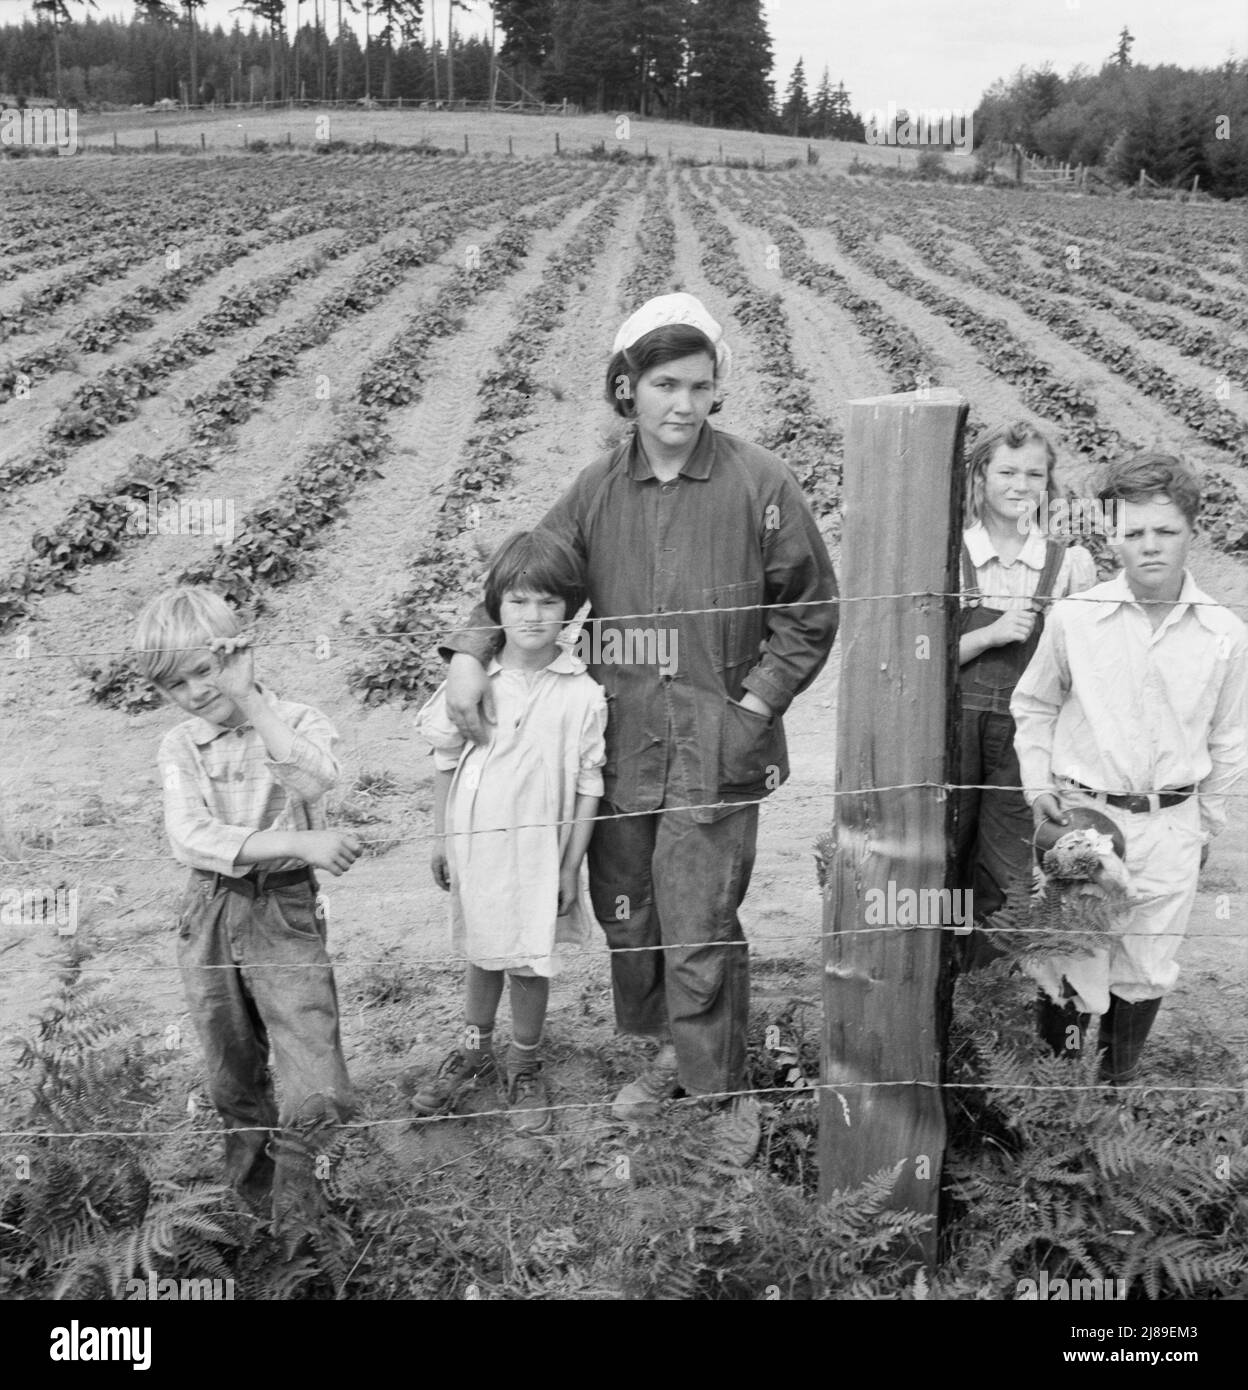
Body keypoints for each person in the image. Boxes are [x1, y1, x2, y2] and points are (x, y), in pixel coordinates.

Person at [440, 293, 838, 1166]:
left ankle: (712, 1091)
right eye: (664, 384)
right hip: (621, 748)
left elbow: (810, 609)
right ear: (627, 387)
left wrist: (757, 704)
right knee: (634, 917)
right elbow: (529, 576)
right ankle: (670, 1051)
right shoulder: (597, 488)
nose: (683, 406)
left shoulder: (759, 484)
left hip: (717, 743)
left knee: (700, 922)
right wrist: (472, 651)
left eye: (699, 385)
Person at [133, 586, 361, 1244]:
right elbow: (190, 837)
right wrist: (300, 841)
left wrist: (254, 700)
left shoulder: (292, 720)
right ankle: (254, 1211)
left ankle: (306, 1216)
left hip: (283, 908)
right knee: (232, 1070)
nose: (198, 691)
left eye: (206, 670)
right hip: (208, 909)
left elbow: (315, 780)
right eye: (178, 683)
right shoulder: (180, 747)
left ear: (236, 653)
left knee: (314, 1077)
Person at [1013, 452, 1248, 1083]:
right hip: (1086, 823)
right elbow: (1033, 705)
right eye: (1134, 531)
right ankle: (1059, 1108)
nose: (1150, 547)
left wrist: (1205, 826)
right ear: (1112, 533)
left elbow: (1230, 739)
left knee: (1145, 967)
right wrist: (1039, 788)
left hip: (1172, 823)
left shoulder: (1224, 633)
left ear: (1192, 532)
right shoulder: (1076, 618)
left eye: (1166, 532)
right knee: (1071, 963)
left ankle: (1114, 1100)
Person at [409, 530, 607, 1135]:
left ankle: (524, 1063)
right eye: (518, 602)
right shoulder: (474, 683)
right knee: (483, 946)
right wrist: (443, 838)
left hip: (540, 852)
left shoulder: (582, 693)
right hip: (478, 843)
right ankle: (473, 1051)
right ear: (495, 608)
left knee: (528, 958)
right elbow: (445, 761)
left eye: (549, 603)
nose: (533, 616)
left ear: (571, 610)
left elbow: (587, 786)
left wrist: (570, 866)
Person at [953, 422, 1096, 970]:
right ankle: (934, 985)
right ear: (980, 475)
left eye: (1034, 474)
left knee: (1009, 863)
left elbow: (1081, 667)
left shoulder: (1066, 564)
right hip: (954, 729)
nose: (1021, 485)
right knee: (943, 853)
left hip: (1028, 736)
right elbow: (914, 662)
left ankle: (987, 990)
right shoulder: (952, 557)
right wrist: (987, 635)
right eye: (1007, 471)